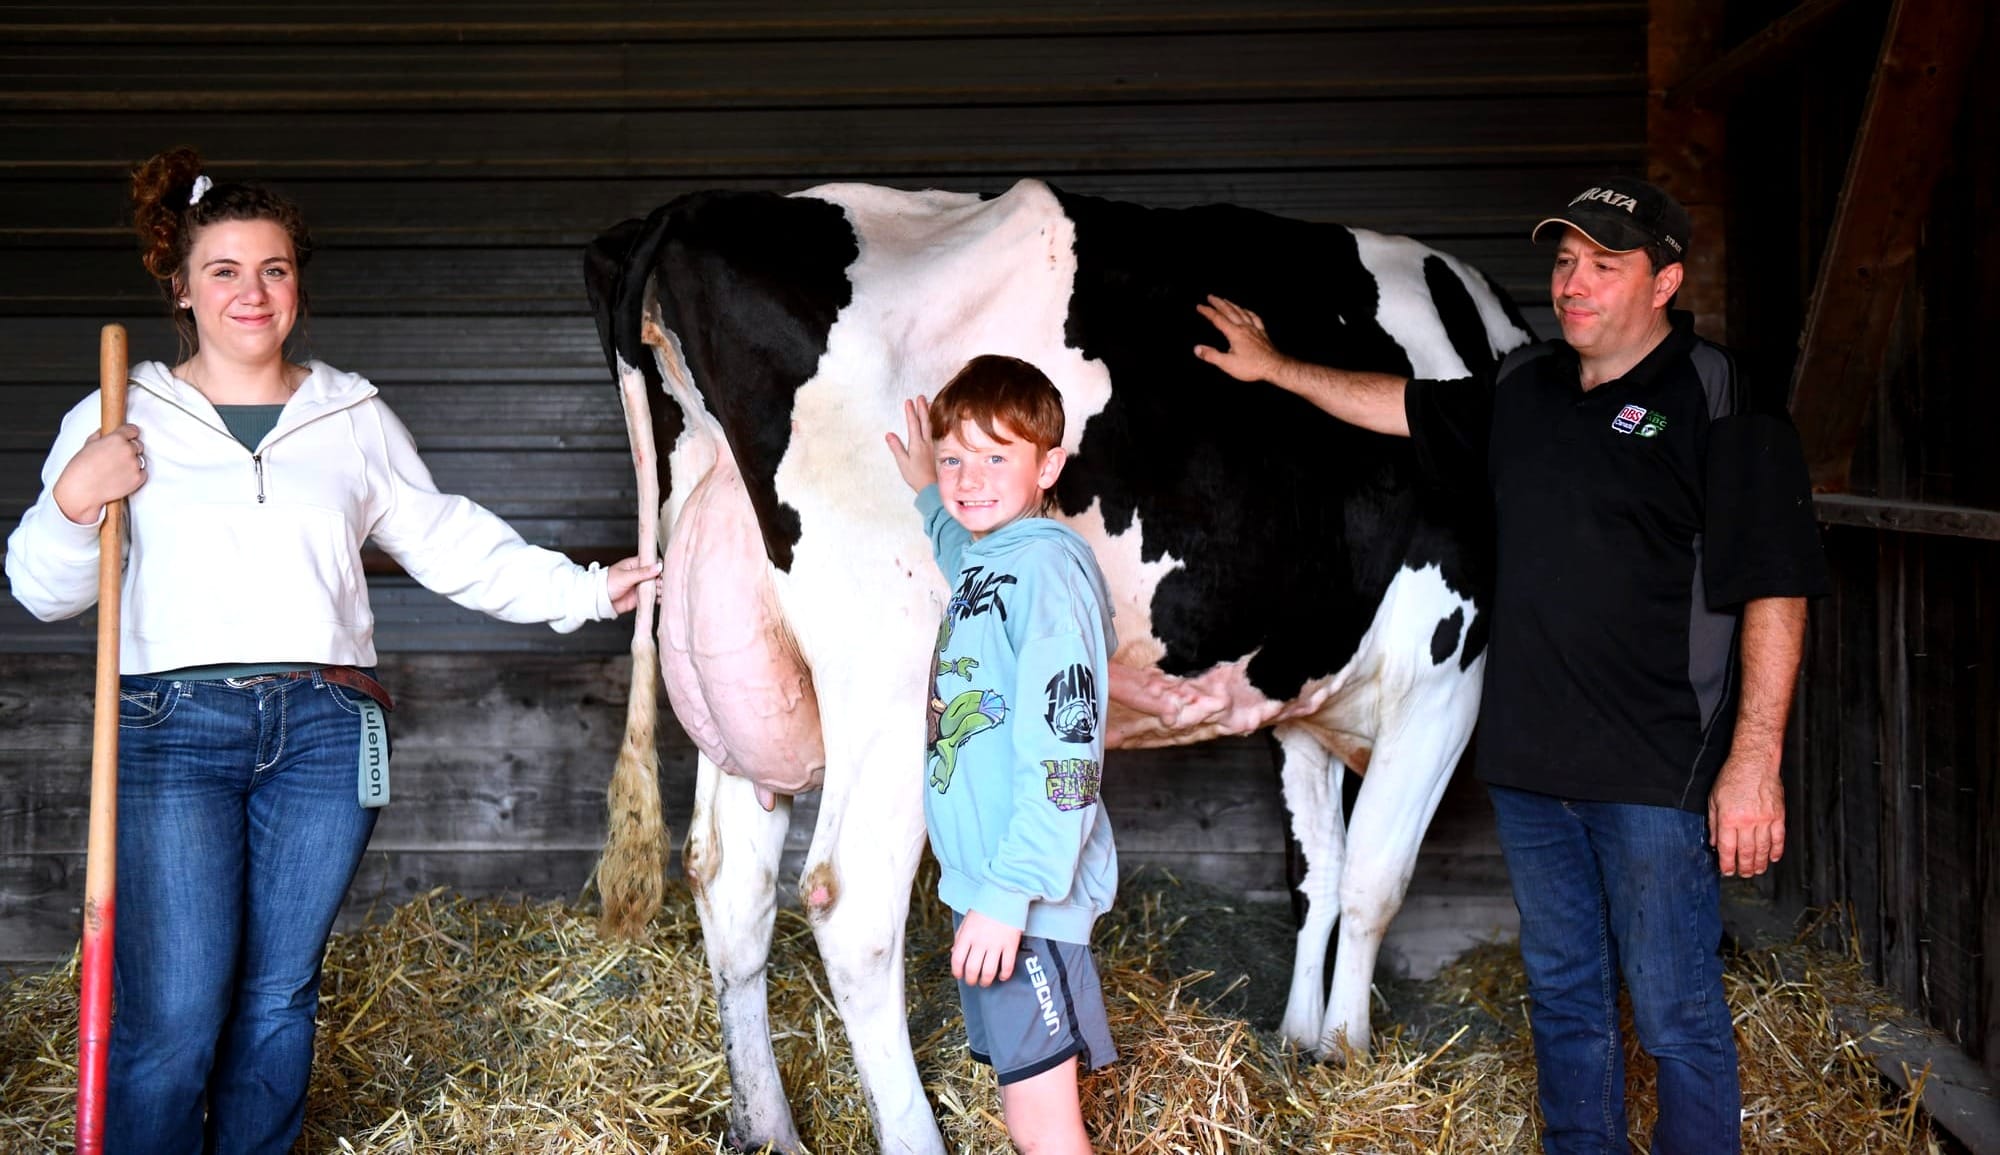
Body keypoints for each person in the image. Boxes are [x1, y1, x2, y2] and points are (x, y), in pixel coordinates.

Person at [3, 147, 659, 1154]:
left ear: (297, 284)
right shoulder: (117, 416)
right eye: (223, 269)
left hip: (326, 727)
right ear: (180, 287)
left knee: (277, 998)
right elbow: (42, 592)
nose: (250, 292)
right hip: (170, 731)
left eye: (272, 268)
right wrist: (74, 499)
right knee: (176, 1009)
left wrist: (583, 588)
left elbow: (448, 541)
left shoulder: (350, 414)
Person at [1193, 179, 1829, 1155]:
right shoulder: (1524, 385)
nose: (1572, 283)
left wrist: (1752, 762)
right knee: (1565, 999)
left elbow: (1774, 592)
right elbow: (1402, 407)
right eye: (1563, 261)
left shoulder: (1720, 400)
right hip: (1532, 774)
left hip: (1658, 777)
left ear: (1663, 280)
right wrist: (1277, 368)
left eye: (1602, 265)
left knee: (1671, 1014)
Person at [883, 355, 1119, 1155]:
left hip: (1027, 898)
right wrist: (927, 486)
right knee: (1025, 1109)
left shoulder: (1048, 566)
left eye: (995, 456)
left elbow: (1068, 749)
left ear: (1048, 464)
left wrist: (1010, 897)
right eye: (956, 457)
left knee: (1045, 1126)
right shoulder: (995, 555)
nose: (968, 477)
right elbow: (962, 548)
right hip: (988, 884)